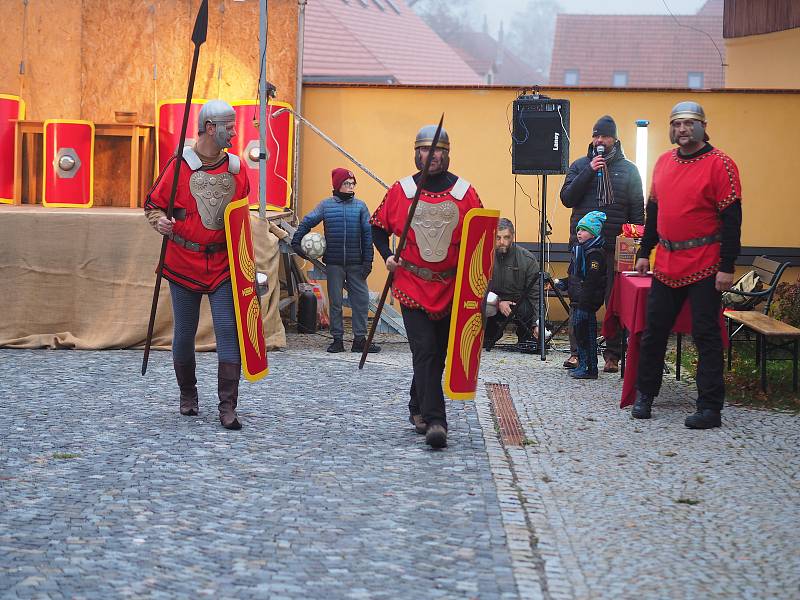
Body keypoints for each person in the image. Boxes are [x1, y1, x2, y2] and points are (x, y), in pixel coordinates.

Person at [370, 125, 483, 448]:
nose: (430, 156)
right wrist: (388, 256)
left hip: (451, 286)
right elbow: (377, 227)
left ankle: (417, 405)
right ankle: (436, 421)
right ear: (415, 153)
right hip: (412, 283)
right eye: (423, 150)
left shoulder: (464, 193)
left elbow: (480, 238)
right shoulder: (401, 191)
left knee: (439, 354)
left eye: (436, 151)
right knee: (426, 350)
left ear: (447, 154)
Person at [632, 101, 742, 429]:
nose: (682, 129)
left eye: (689, 123)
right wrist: (644, 251)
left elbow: (732, 219)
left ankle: (710, 408)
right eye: (677, 123)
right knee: (653, 334)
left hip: (706, 263)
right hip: (666, 262)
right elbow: (654, 212)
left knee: (706, 335)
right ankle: (645, 394)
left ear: (702, 126)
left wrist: (727, 265)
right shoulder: (663, 162)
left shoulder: (721, 164)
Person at [144, 99, 250, 430]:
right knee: (185, 331)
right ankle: (188, 395)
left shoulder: (236, 169)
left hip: (222, 262)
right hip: (183, 260)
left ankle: (227, 405)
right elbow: (152, 205)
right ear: (209, 128)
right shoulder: (178, 166)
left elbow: (242, 220)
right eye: (228, 127)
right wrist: (160, 221)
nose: (234, 132)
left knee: (227, 329)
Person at [560, 115, 644, 373]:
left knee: (614, 303)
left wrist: (635, 243)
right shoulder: (579, 166)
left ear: (614, 139)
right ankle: (578, 354)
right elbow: (566, 198)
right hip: (584, 248)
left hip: (614, 248)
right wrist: (589, 171)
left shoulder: (629, 170)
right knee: (579, 301)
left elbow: (637, 212)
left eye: (604, 136)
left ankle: (613, 355)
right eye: (596, 136)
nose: (599, 140)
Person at [291, 168, 379, 354]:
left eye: (352, 183)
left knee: (361, 302)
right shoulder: (326, 206)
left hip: (357, 264)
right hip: (334, 264)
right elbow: (308, 221)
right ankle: (337, 340)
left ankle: (359, 341)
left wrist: (368, 262)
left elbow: (367, 235)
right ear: (337, 185)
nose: (350, 187)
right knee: (336, 302)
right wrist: (296, 241)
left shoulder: (361, 207)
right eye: (346, 183)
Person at [484, 218, 540, 350]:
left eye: (506, 237)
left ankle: (525, 335)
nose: (502, 242)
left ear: (513, 237)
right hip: (491, 301)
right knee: (483, 304)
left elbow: (536, 295)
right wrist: (498, 302)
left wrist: (538, 324)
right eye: (498, 238)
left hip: (518, 303)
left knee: (527, 308)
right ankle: (490, 334)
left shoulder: (527, 259)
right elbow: (476, 289)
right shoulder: (484, 256)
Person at [567, 211, 608, 379]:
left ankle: (590, 368)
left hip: (587, 303)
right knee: (580, 332)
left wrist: (584, 302)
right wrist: (564, 282)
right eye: (578, 230)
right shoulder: (582, 251)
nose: (579, 233)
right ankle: (584, 364)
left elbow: (591, 281)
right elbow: (577, 277)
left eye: (583, 230)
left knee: (586, 335)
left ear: (593, 233)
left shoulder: (595, 254)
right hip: (580, 301)